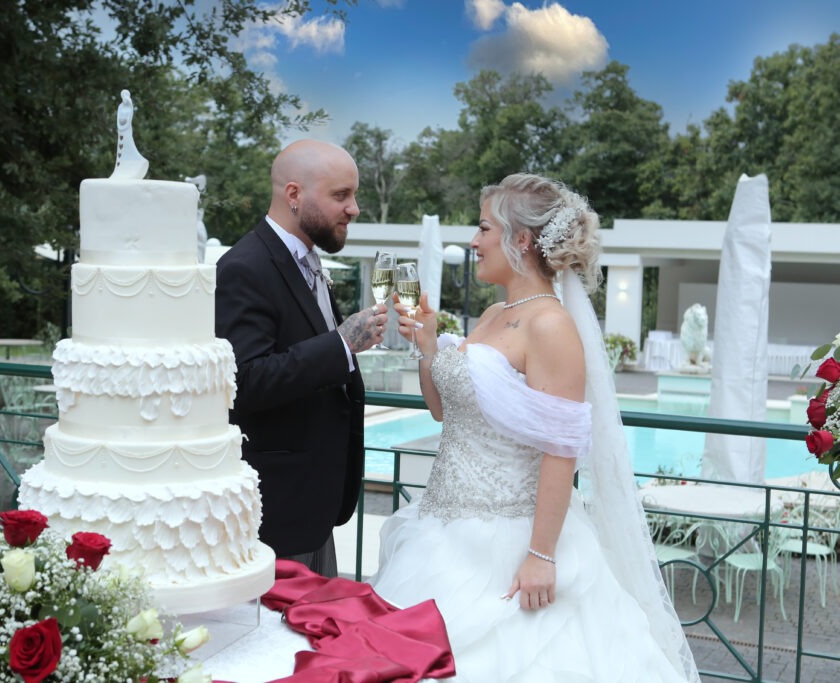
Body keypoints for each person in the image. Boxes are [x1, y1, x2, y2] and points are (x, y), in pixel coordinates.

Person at [370, 173, 699, 681]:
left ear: (520, 240)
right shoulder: (496, 312)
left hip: (510, 541)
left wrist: (541, 556)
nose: (474, 242)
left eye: (483, 229)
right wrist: (429, 347)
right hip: (441, 529)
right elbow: (442, 411)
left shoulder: (551, 325)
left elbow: (561, 449)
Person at [214, 139, 389, 577]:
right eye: (341, 195)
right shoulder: (245, 267)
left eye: (353, 195)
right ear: (294, 195)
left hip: (315, 504)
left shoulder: (306, 260)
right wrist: (342, 343)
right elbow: (244, 381)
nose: (354, 209)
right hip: (277, 513)